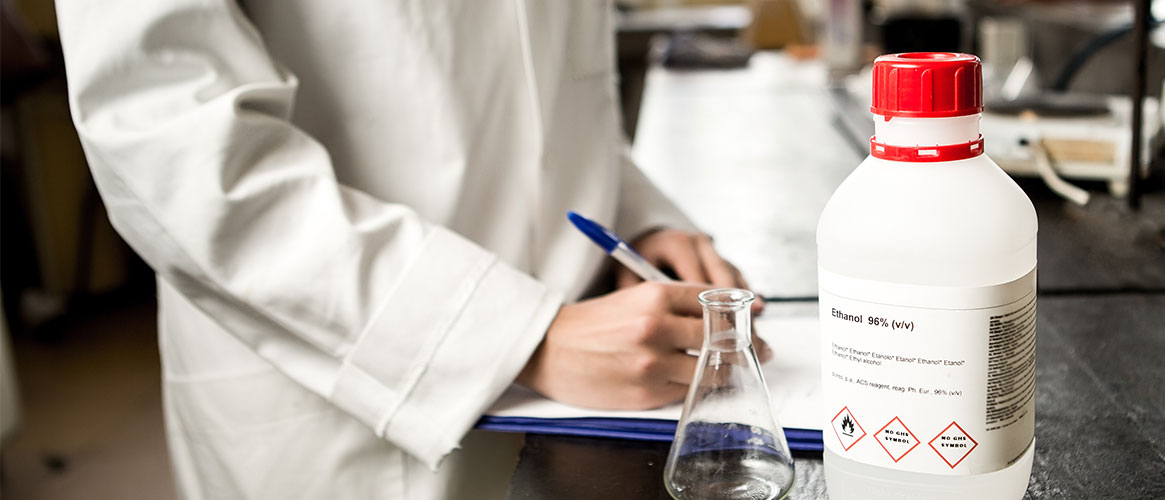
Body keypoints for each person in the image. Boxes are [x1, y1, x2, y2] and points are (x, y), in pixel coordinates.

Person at [54, 1, 769, 498]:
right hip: (342, 371)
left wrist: (637, 216)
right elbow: (164, 132)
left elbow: (547, 85)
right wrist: (516, 336)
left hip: (586, 365)